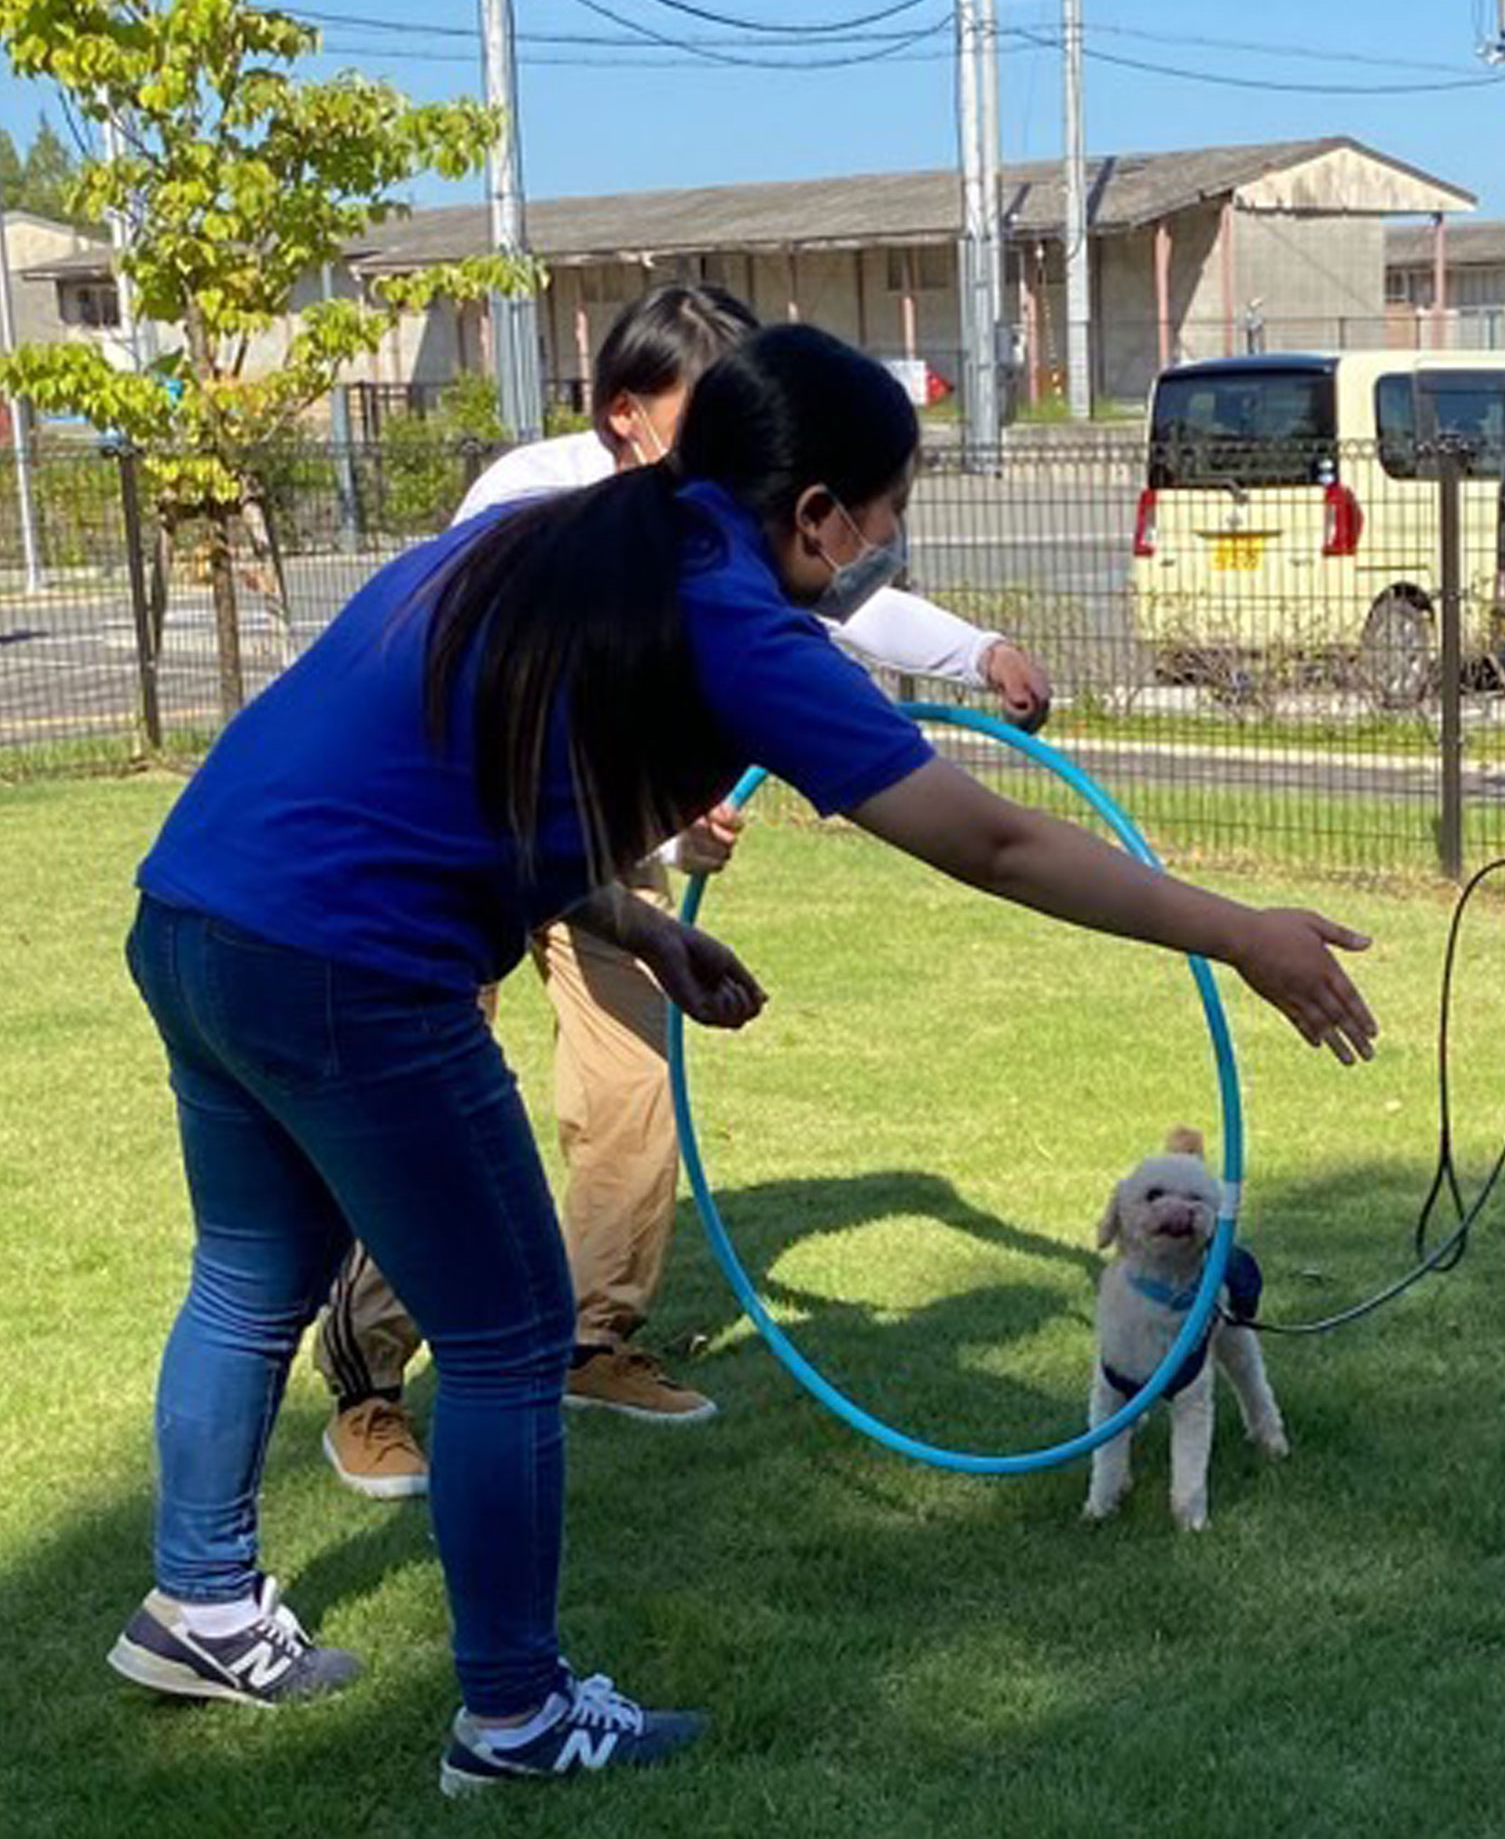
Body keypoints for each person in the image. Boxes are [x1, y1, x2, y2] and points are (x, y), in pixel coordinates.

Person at [111, 325, 1376, 1792]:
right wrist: (1240, 935)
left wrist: (635, 927)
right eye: (888, 517)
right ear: (820, 514)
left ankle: (196, 1603)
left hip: (195, 912)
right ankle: (514, 1714)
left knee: (246, 1274)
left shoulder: (555, 543)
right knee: (517, 1331)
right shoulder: (727, 609)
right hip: (346, 961)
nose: (884, 552)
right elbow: (992, 835)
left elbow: (444, 778)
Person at [315, 285, 1057, 1497]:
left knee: (630, 1086)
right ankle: (371, 1384)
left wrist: (975, 653)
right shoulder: (537, 501)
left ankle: (590, 1339)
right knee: (438, 1119)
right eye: (710, 407)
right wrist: (657, 781)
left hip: (608, 849)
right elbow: (492, 693)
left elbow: (849, 595)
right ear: (627, 417)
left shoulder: (735, 529)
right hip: (464, 848)